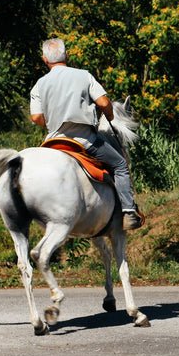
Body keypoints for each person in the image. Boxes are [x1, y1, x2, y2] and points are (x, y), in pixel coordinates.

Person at [29, 38, 143, 229]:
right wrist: (109, 116)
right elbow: (105, 103)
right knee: (121, 164)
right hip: (85, 140)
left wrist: (53, 122)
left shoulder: (39, 84)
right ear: (67, 55)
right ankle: (129, 213)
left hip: (53, 141)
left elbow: (35, 117)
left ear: (44, 59)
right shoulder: (84, 76)